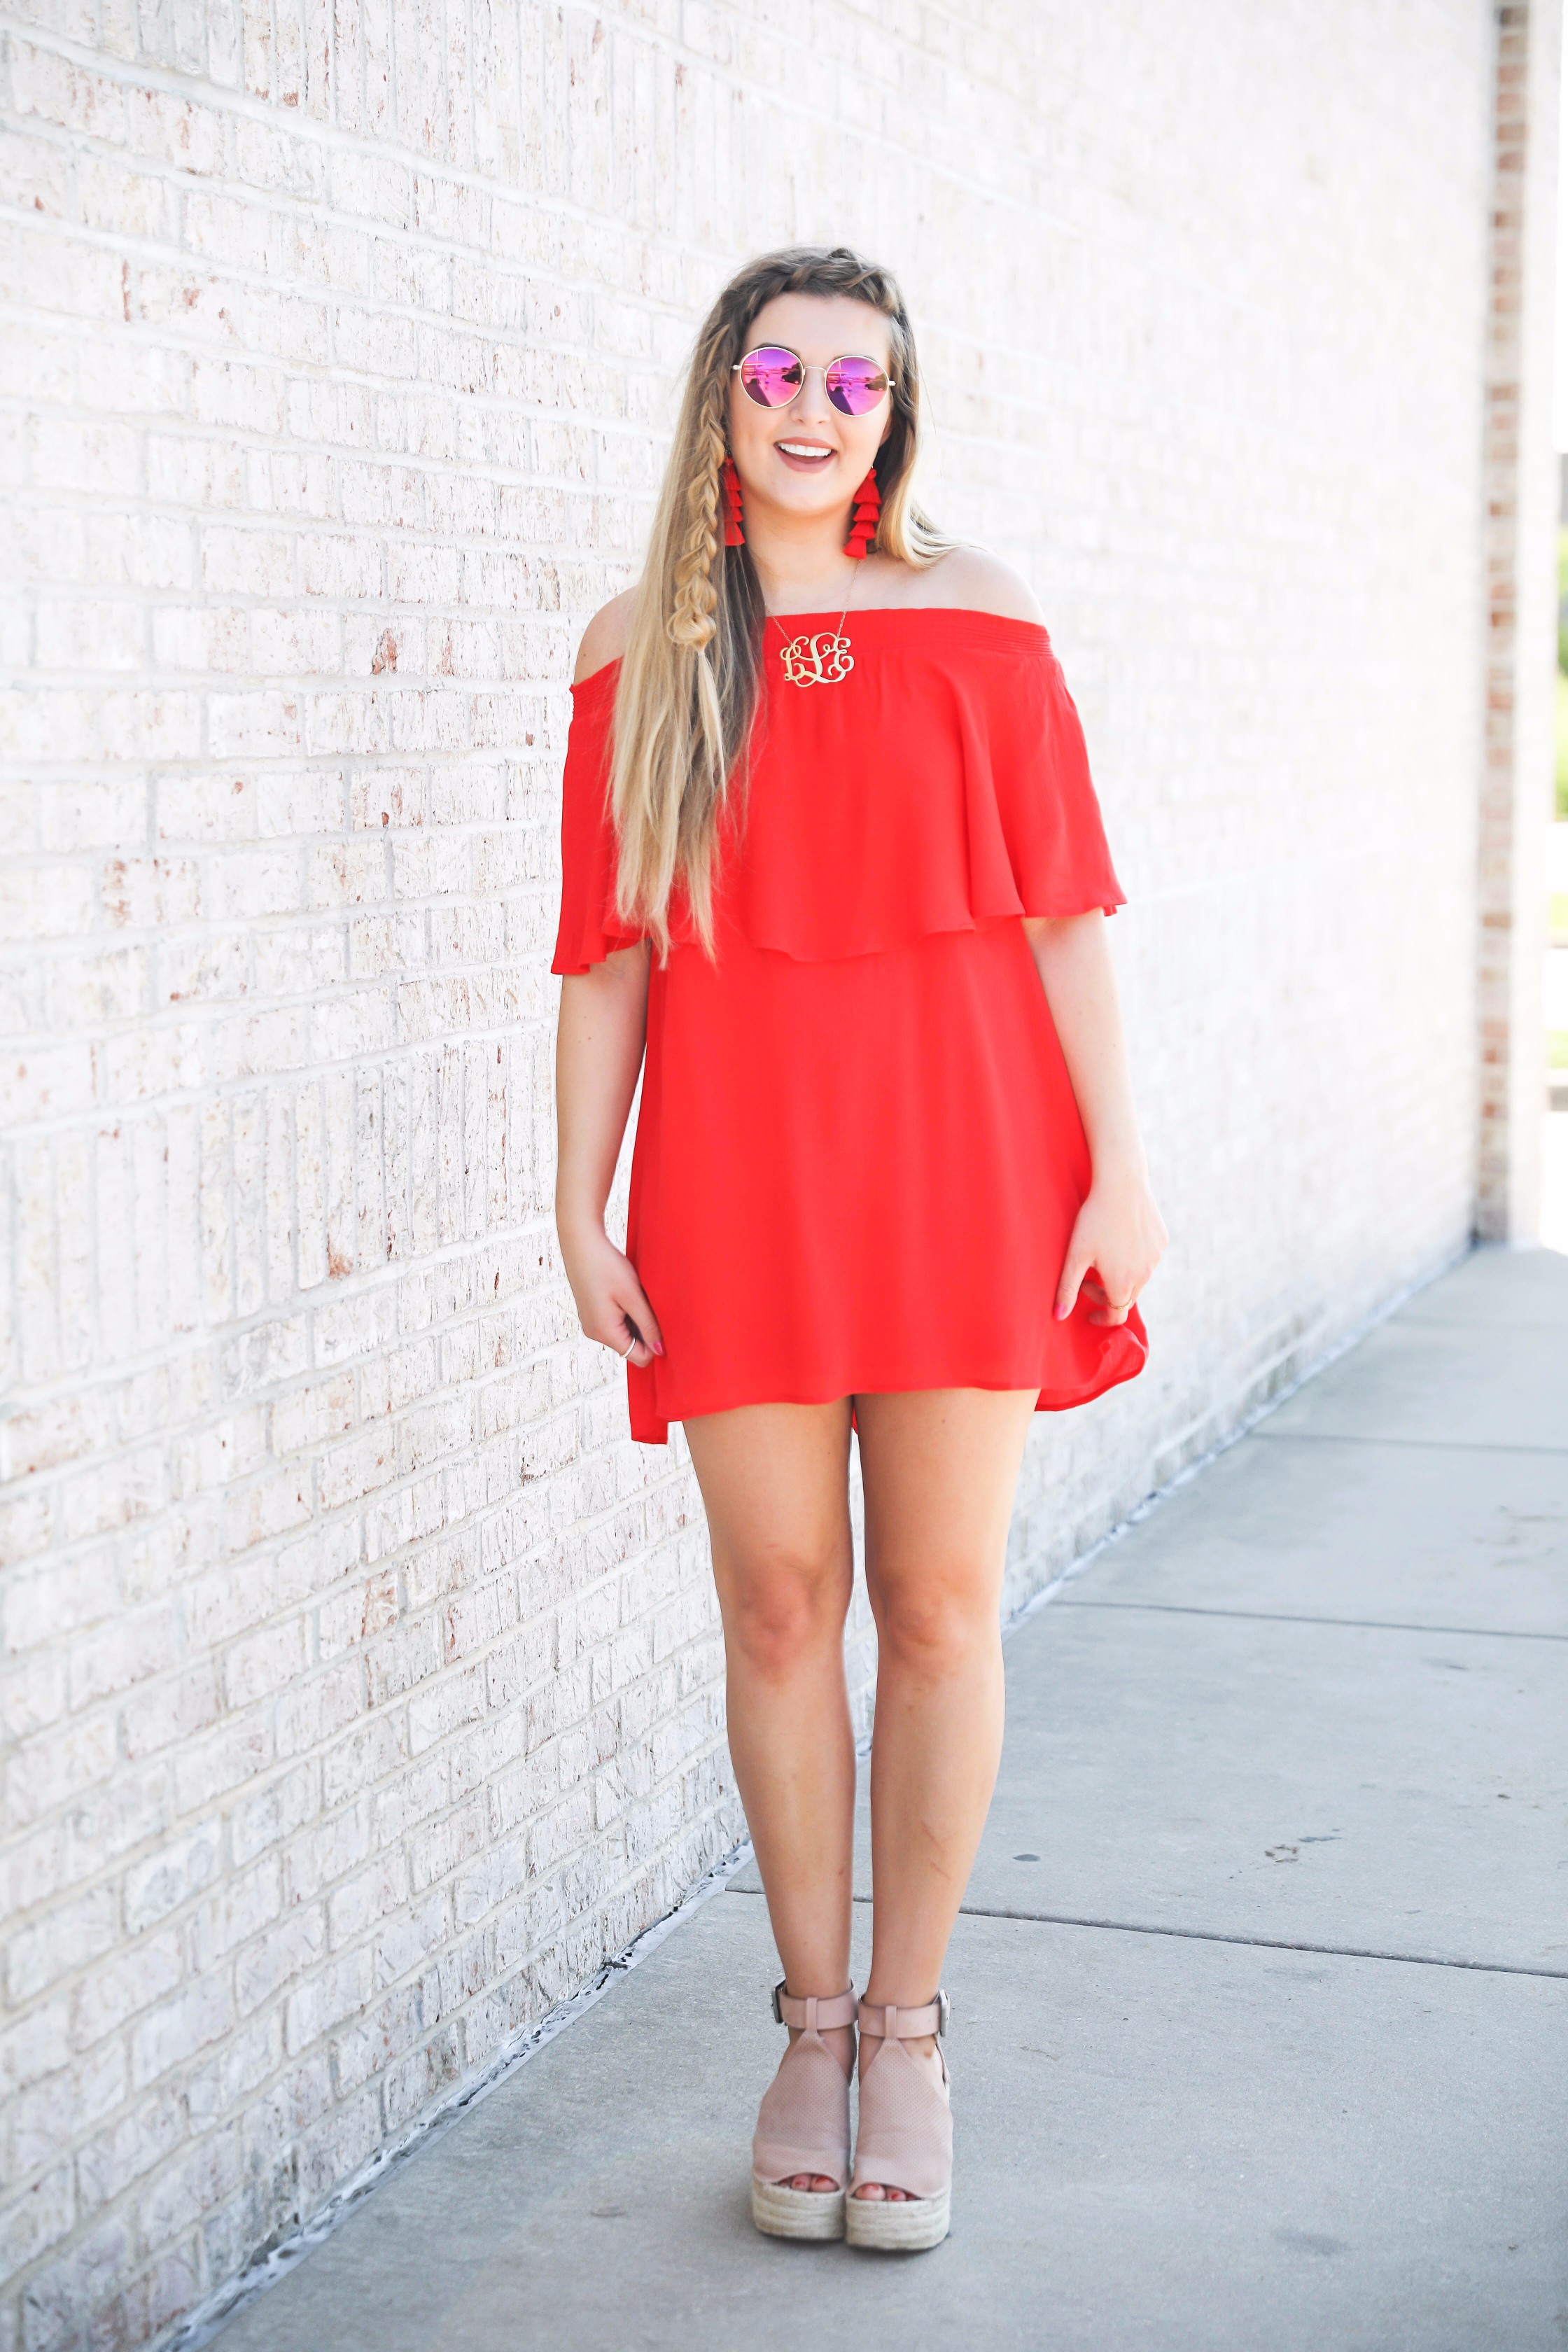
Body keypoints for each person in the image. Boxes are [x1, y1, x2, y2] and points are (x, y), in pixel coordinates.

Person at [552, 246, 1165, 2254]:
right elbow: (609, 958)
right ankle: (807, 2024)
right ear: (722, 393)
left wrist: (1121, 1170)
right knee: (774, 1599)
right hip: (737, 1173)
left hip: (972, 1161)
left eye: (855, 382)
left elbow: (1067, 916)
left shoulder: (981, 624)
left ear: (894, 415)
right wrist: (576, 1196)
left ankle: (910, 2034)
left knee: (938, 1600)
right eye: (778, 370)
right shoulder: (638, 646)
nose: (814, 407)